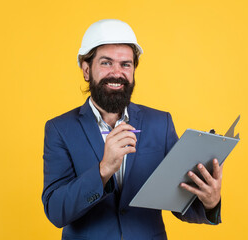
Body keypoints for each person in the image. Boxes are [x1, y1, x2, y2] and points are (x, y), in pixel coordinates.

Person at [42, 19, 223, 240]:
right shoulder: (60, 129)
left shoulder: (160, 123)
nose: (117, 73)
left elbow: (179, 200)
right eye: (106, 63)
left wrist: (210, 202)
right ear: (86, 69)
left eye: (125, 64)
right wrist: (103, 171)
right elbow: (56, 211)